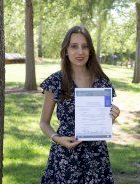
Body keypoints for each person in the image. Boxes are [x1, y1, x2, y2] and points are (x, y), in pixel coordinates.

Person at [39, 25, 120, 183]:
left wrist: (112, 117)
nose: (80, 52)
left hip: (96, 156)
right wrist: (57, 138)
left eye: (84, 46)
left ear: (90, 51)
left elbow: (102, 123)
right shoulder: (55, 81)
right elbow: (43, 123)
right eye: (74, 46)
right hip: (65, 155)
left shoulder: (102, 82)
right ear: (66, 51)